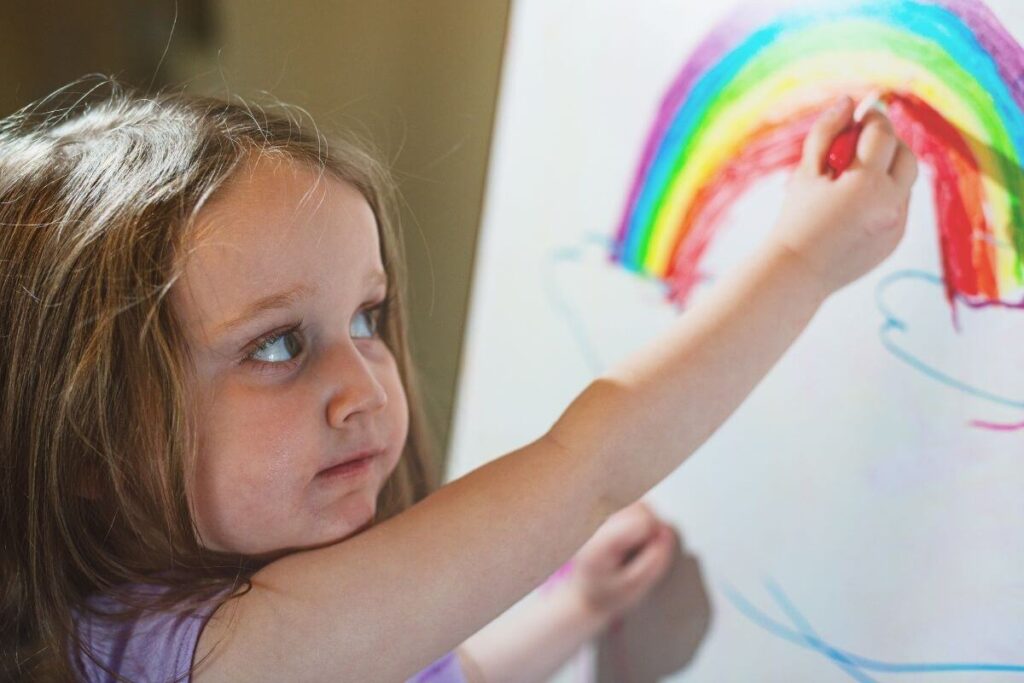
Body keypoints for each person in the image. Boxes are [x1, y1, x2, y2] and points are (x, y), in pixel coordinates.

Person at [0, 78, 916, 682]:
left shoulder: (294, 614)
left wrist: (578, 611)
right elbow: (589, 464)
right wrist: (800, 261)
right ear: (90, 438)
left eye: (367, 318)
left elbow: (447, 673)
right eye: (277, 345)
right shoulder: (213, 659)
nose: (363, 383)